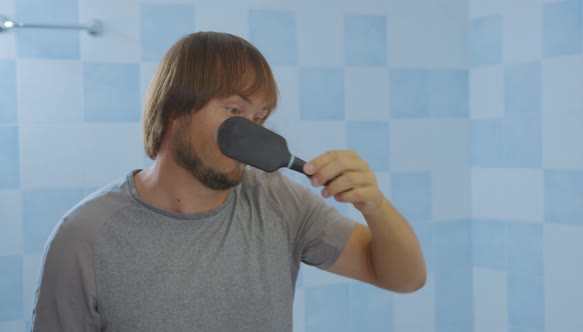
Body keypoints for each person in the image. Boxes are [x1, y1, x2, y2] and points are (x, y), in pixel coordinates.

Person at [31, 31, 426, 331]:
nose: (251, 129)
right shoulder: (85, 236)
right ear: (175, 109)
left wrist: (373, 205)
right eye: (234, 109)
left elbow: (404, 277)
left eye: (259, 118)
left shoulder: (276, 198)